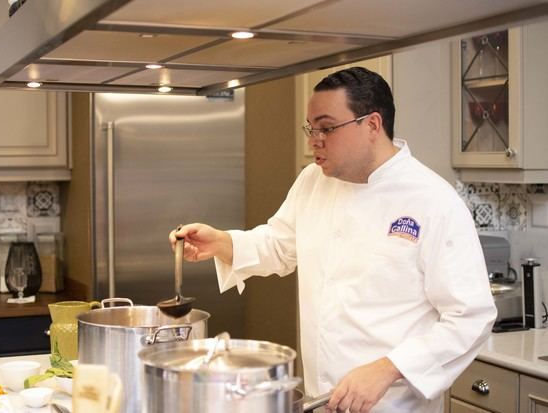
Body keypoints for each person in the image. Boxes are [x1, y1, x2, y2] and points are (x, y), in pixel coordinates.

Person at [169, 67, 496, 413]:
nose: (315, 140)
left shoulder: (433, 201)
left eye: (327, 128)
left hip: (393, 405)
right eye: (312, 128)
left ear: (372, 125)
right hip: (319, 401)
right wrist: (221, 243)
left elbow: (470, 316)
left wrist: (389, 368)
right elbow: (280, 245)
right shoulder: (313, 180)